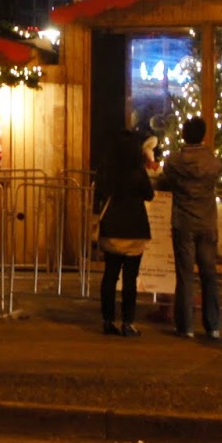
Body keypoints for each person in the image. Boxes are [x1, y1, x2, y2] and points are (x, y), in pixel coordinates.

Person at [154, 117, 222, 339]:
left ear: (184, 134)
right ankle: (213, 325)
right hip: (207, 222)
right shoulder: (213, 162)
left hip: (183, 222)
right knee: (209, 274)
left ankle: (186, 325)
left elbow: (166, 181)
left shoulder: (175, 161)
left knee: (185, 275)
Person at [93, 128, 153, 338]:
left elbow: (98, 195)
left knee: (110, 275)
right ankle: (128, 322)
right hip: (135, 229)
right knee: (130, 279)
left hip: (112, 229)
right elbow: (149, 194)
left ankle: (108, 320)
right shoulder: (138, 171)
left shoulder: (106, 169)